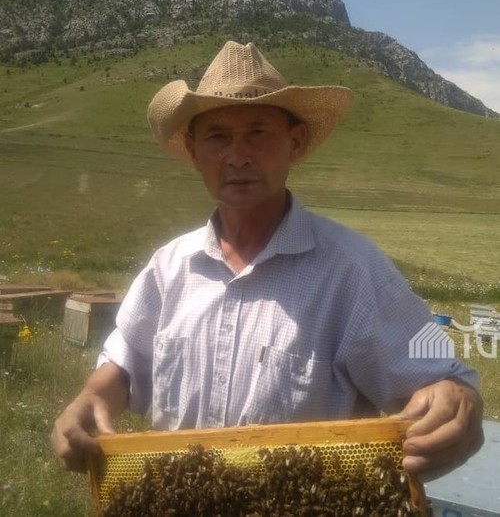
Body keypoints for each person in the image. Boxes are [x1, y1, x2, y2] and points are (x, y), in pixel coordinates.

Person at [51, 41, 483, 478]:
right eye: (218, 137)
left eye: (257, 133)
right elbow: (125, 361)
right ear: (194, 150)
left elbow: (440, 371)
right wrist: (92, 397)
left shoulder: (353, 270)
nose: (238, 156)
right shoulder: (169, 267)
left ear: (295, 142)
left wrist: (457, 397)